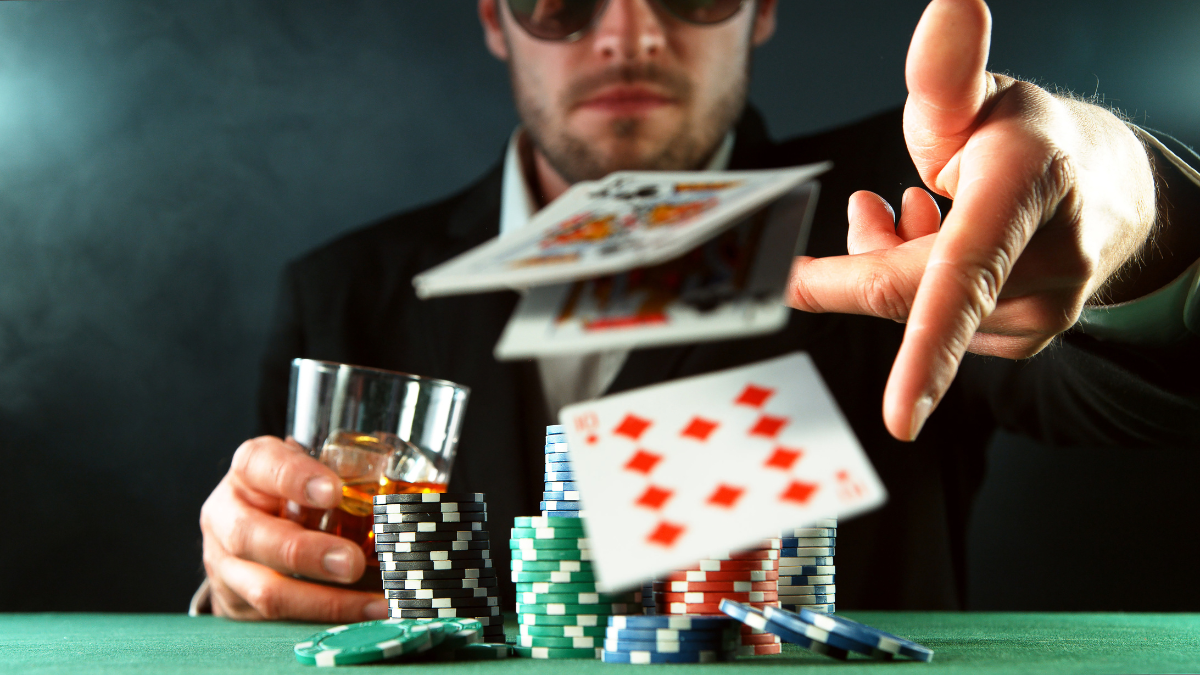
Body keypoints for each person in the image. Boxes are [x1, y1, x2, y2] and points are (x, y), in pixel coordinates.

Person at [196, 0, 1200, 621]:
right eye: (561, 1)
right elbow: (282, 587)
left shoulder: (909, 212)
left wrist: (1123, 205)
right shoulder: (345, 292)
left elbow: (1163, 384)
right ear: (494, 16)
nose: (630, 32)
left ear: (761, 6)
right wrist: (242, 585)